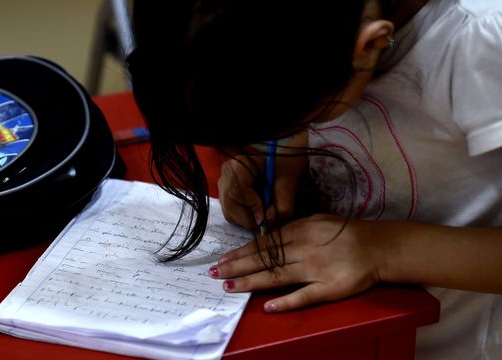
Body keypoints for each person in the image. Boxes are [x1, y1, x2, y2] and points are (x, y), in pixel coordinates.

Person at [127, 0, 502, 359]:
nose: (297, 132)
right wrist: (280, 161)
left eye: (304, 121)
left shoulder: (481, 42)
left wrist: (379, 251)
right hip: (359, 334)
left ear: (369, 46)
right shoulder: (328, 30)